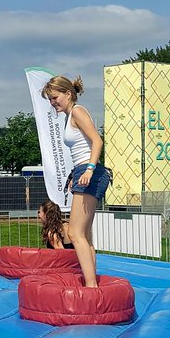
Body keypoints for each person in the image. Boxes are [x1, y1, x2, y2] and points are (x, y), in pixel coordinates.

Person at [42, 75, 109, 287]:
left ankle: (91, 285)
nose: (53, 103)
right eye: (50, 100)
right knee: (85, 235)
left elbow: (97, 140)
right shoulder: (70, 115)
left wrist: (89, 170)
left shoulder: (78, 112)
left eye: (55, 97)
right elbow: (82, 147)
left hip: (89, 171)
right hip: (82, 170)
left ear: (68, 94)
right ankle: (92, 281)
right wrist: (75, 174)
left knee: (74, 232)